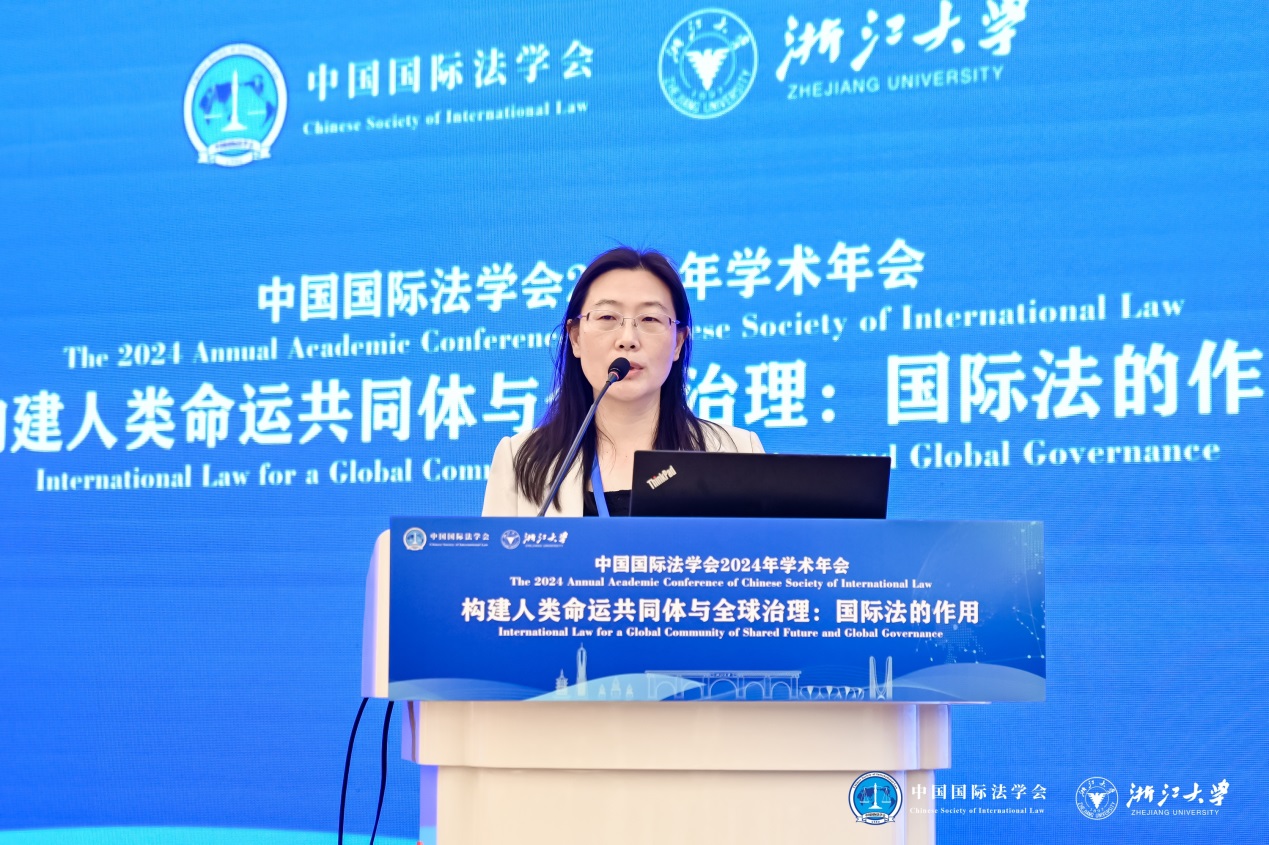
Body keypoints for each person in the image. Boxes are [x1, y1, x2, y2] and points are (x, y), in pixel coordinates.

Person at [482, 246, 763, 516]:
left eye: (650, 319)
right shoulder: (521, 460)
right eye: (607, 316)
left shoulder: (737, 454)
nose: (628, 339)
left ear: (678, 343)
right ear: (576, 338)